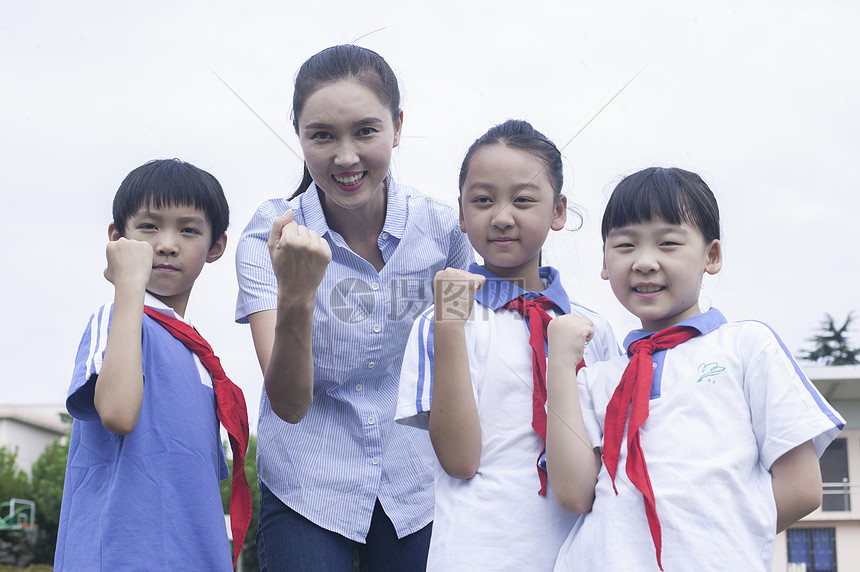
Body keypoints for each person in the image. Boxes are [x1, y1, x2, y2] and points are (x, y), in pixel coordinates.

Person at [234, 44, 472, 571]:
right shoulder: (264, 239)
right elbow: (289, 404)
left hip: (416, 485)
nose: (345, 158)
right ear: (298, 134)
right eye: (322, 136)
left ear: (398, 126)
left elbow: (462, 358)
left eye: (366, 131)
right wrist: (297, 292)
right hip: (306, 483)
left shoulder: (449, 237)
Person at [546, 167, 845, 571]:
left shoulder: (745, 347)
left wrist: (713, 548)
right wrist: (561, 368)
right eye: (625, 245)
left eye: (668, 243)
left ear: (712, 256)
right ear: (604, 260)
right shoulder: (595, 377)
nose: (645, 262)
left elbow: (803, 488)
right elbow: (575, 495)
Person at [395, 119, 621, 570]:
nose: (501, 216)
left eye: (523, 199)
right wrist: (450, 321)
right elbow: (460, 460)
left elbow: (611, 463)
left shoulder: (592, 329)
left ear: (558, 212)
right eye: (482, 200)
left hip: (582, 555)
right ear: (461, 213)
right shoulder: (440, 319)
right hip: (475, 555)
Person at [55, 159, 251, 571]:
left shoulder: (198, 355)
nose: (166, 243)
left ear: (216, 246)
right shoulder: (120, 319)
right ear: (117, 237)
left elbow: (192, 482)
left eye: (189, 229)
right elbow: (119, 414)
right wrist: (129, 285)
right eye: (148, 227)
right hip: (122, 558)